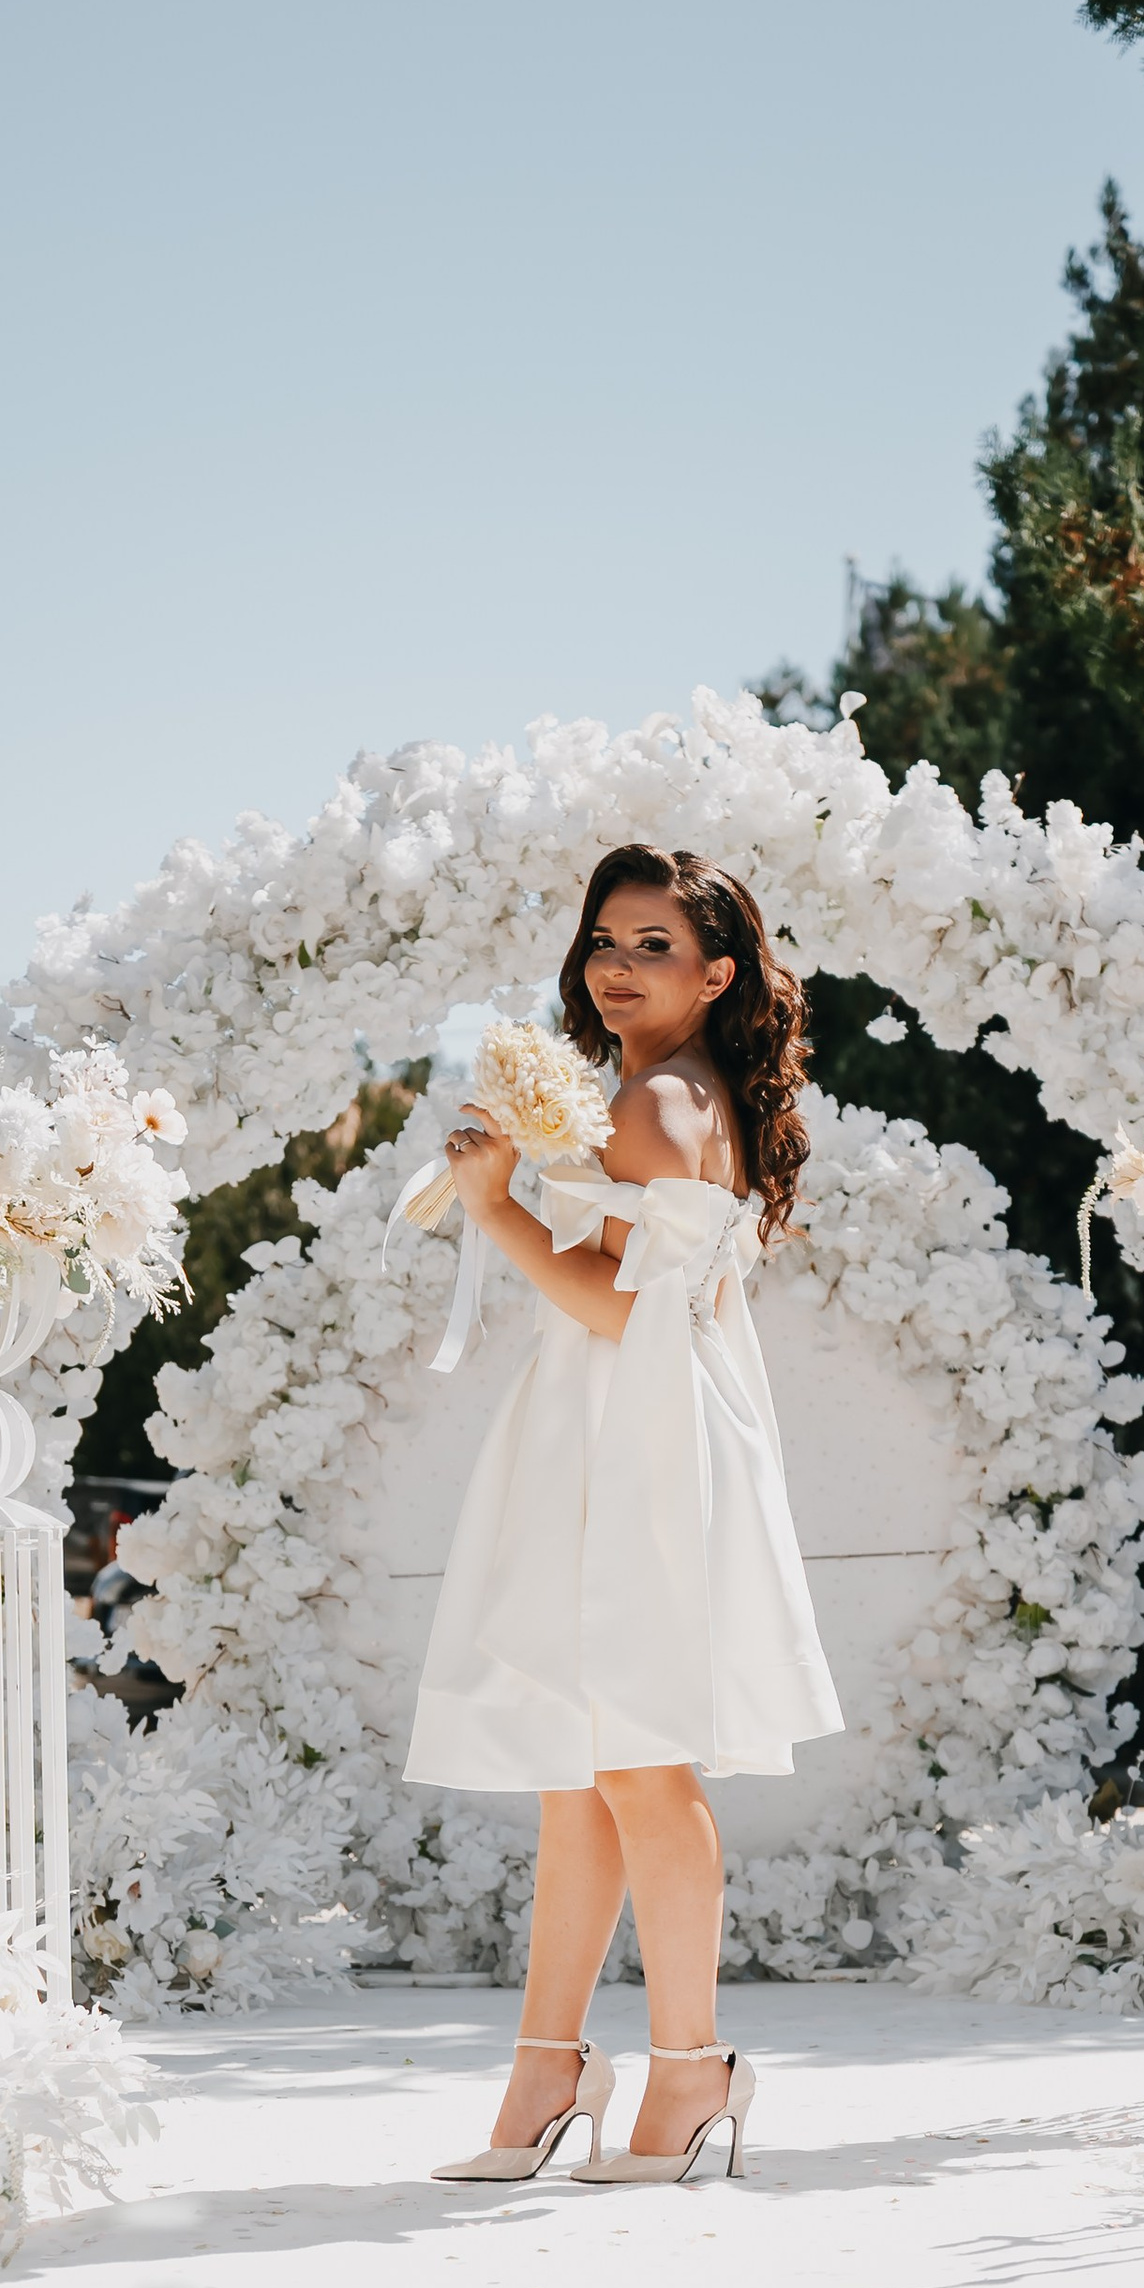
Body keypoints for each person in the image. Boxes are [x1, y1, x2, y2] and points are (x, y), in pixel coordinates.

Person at [405, 843, 841, 2185]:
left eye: (656, 944)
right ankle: (549, 2069)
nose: (619, 964)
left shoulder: (660, 1101)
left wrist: (493, 1209)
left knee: (640, 1763)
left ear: (719, 975)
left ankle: (691, 2070)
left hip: (641, 1438)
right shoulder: (662, 1096)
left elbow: (615, 1306)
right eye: (608, 937)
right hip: (621, 1427)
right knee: (578, 1774)